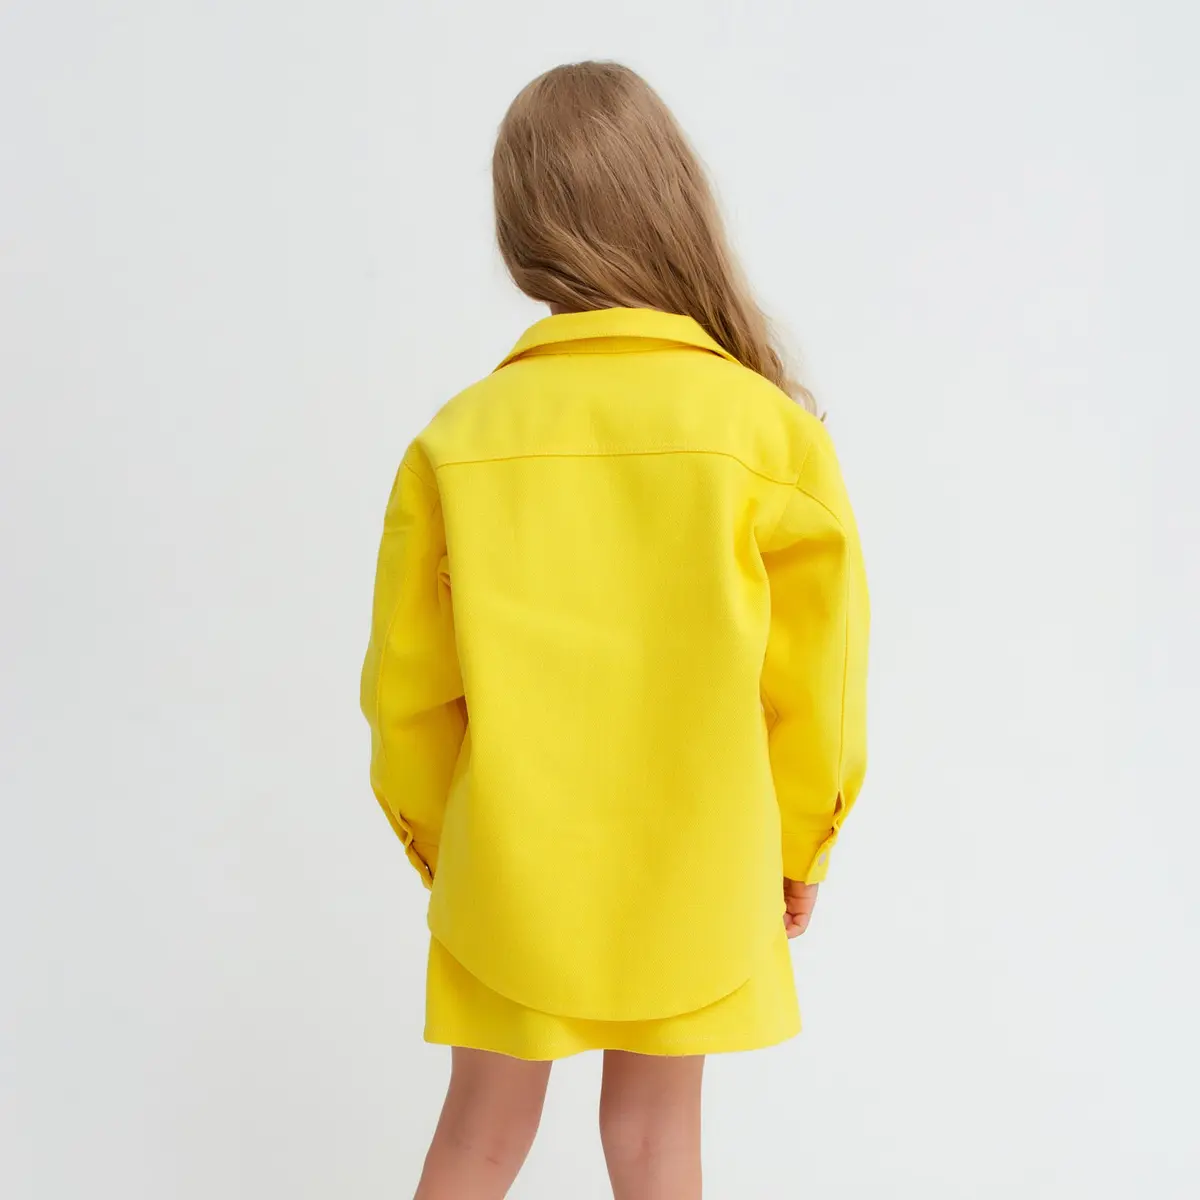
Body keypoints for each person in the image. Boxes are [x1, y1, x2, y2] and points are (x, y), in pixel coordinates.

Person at [360, 60, 869, 1200]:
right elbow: (820, 681)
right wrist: (799, 845)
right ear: (671, 202)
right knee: (654, 1140)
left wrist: (451, 851)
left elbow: (403, 693)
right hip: (700, 868)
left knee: (478, 1137)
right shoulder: (765, 433)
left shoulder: (457, 440)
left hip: (512, 871)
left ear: (520, 234)